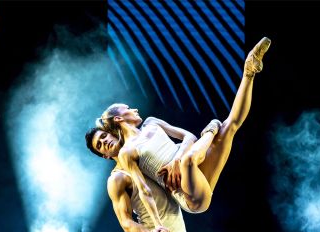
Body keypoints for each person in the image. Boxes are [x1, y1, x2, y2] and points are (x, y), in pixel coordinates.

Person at [86, 37, 271, 218]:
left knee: (229, 126)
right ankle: (211, 128)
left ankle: (249, 71)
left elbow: (189, 137)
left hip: (198, 169)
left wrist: (176, 159)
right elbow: (141, 188)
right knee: (188, 159)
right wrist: (154, 222)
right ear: (119, 118)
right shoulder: (127, 152)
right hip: (189, 193)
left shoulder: (152, 122)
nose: (134, 109)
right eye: (128, 108)